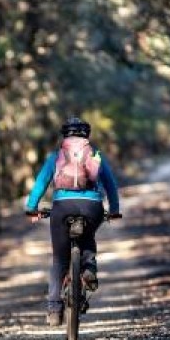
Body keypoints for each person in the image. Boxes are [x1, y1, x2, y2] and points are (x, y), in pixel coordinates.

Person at [25, 116, 121, 326]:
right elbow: (111, 186)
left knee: (59, 260)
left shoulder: (56, 156)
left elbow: (40, 184)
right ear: (87, 136)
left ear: (65, 136)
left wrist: (32, 208)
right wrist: (114, 211)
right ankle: (88, 268)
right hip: (92, 207)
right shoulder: (96, 155)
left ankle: (53, 309)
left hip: (62, 207)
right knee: (88, 238)